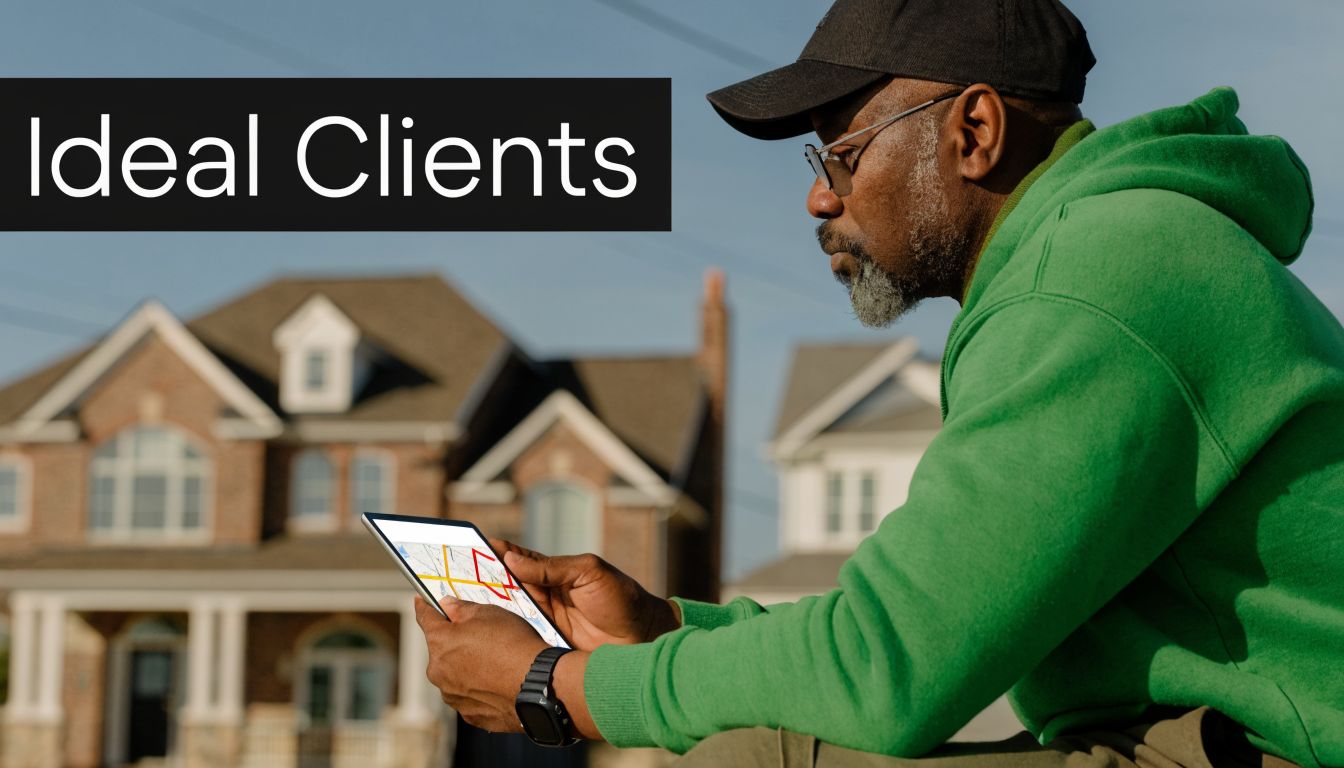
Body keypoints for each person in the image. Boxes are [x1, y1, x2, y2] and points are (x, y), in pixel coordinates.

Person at [415, 0, 1344, 766]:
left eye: (842, 152)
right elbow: (903, 628)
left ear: (973, 131)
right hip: (1216, 738)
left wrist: (556, 689)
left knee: (751, 756)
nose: (820, 197)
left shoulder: (1097, 282)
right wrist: (665, 631)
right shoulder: (1106, 257)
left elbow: (884, 670)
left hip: (1274, 748)